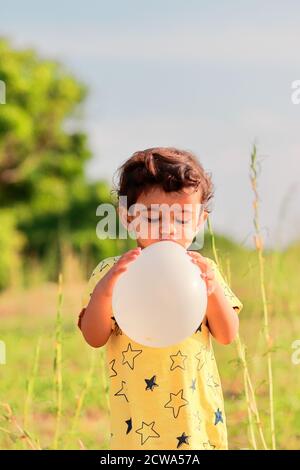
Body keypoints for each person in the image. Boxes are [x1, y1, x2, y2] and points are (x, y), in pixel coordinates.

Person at [78, 147, 243, 450]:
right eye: (152, 217)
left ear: (199, 222)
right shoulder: (113, 272)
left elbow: (227, 334)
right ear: (127, 217)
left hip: (194, 419)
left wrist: (212, 290)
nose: (167, 228)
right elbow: (94, 336)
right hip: (136, 424)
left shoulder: (202, 271)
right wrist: (106, 289)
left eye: (181, 219)